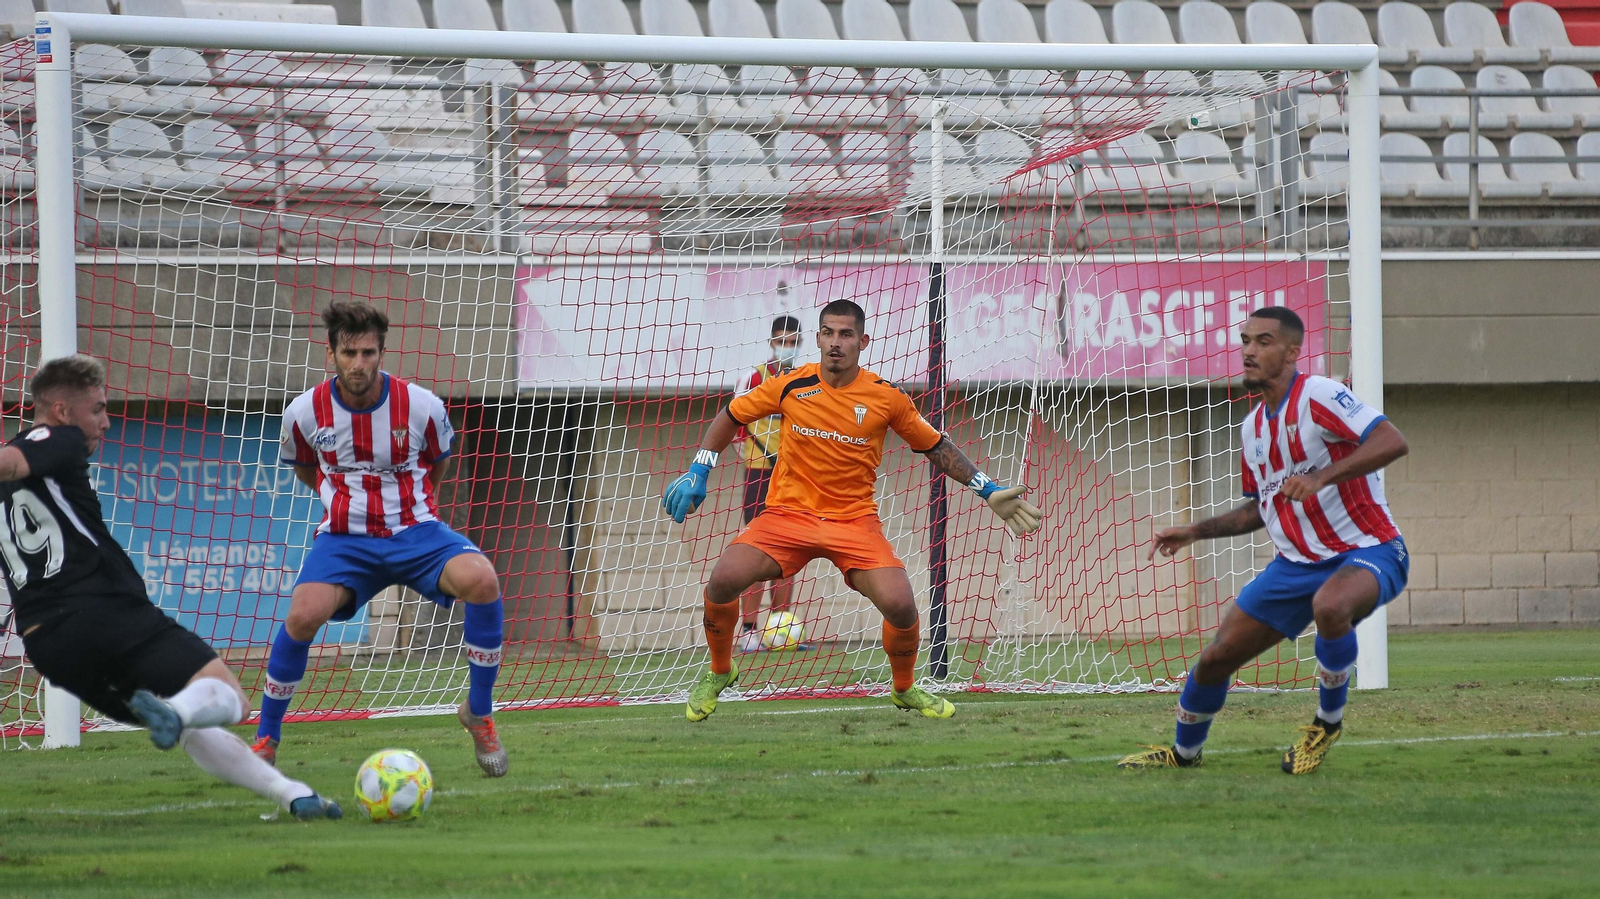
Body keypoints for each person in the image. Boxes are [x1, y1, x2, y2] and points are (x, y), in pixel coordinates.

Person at [663, 299, 1043, 722]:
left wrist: (987, 490)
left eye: (846, 334)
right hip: (787, 517)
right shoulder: (790, 384)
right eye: (828, 333)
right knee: (722, 581)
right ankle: (721, 671)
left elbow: (935, 445)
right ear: (818, 338)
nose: (835, 342)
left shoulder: (886, 396)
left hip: (853, 522)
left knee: (901, 606)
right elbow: (731, 415)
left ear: (862, 341)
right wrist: (699, 469)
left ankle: (903, 688)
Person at [0, 356, 340, 819]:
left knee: (185, 722)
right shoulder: (57, 438)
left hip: (46, 643)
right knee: (229, 700)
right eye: (97, 409)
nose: (105, 420)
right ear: (61, 411)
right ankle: (178, 713)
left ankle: (294, 795)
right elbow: (13, 461)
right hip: (104, 611)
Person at [1118, 307, 1410, 775]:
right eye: (1245, 341)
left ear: (1292, 352)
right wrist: (1194, 531)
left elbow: (1392, 441)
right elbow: (1261, 508)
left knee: (1331, 606)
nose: (1249, 351)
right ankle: (1183, 754)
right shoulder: (1252, 427)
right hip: (1293, 567)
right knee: (1216, 658)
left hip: (1368, 549)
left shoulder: (1320, 395)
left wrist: (1320, 477)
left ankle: (1326, 724)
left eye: (1264, 341)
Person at [252, 300, 508, 777]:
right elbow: (307, 471)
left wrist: (408, 509)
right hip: (345, 540)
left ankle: (479, 712)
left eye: (368, 353)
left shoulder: (422, 407)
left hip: (415, 532)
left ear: (381, 354)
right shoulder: (304, 413)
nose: (359, 364)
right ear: (331, 354)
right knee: (302, 615)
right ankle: (266, 738)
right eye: (349, 353)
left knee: (483, 580)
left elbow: (438, 465)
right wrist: (346, 506)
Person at [734, 314, 802, 653]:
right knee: (756, 551)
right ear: (771, 342)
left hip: (793, 477)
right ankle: (748, 631)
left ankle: (780, 629)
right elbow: (735, 424)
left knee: (789, 554)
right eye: (781, 341)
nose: (786, 347)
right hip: (760, 473)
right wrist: (754, 456)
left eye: (792, 342)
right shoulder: (754, 378)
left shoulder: (805, 380)